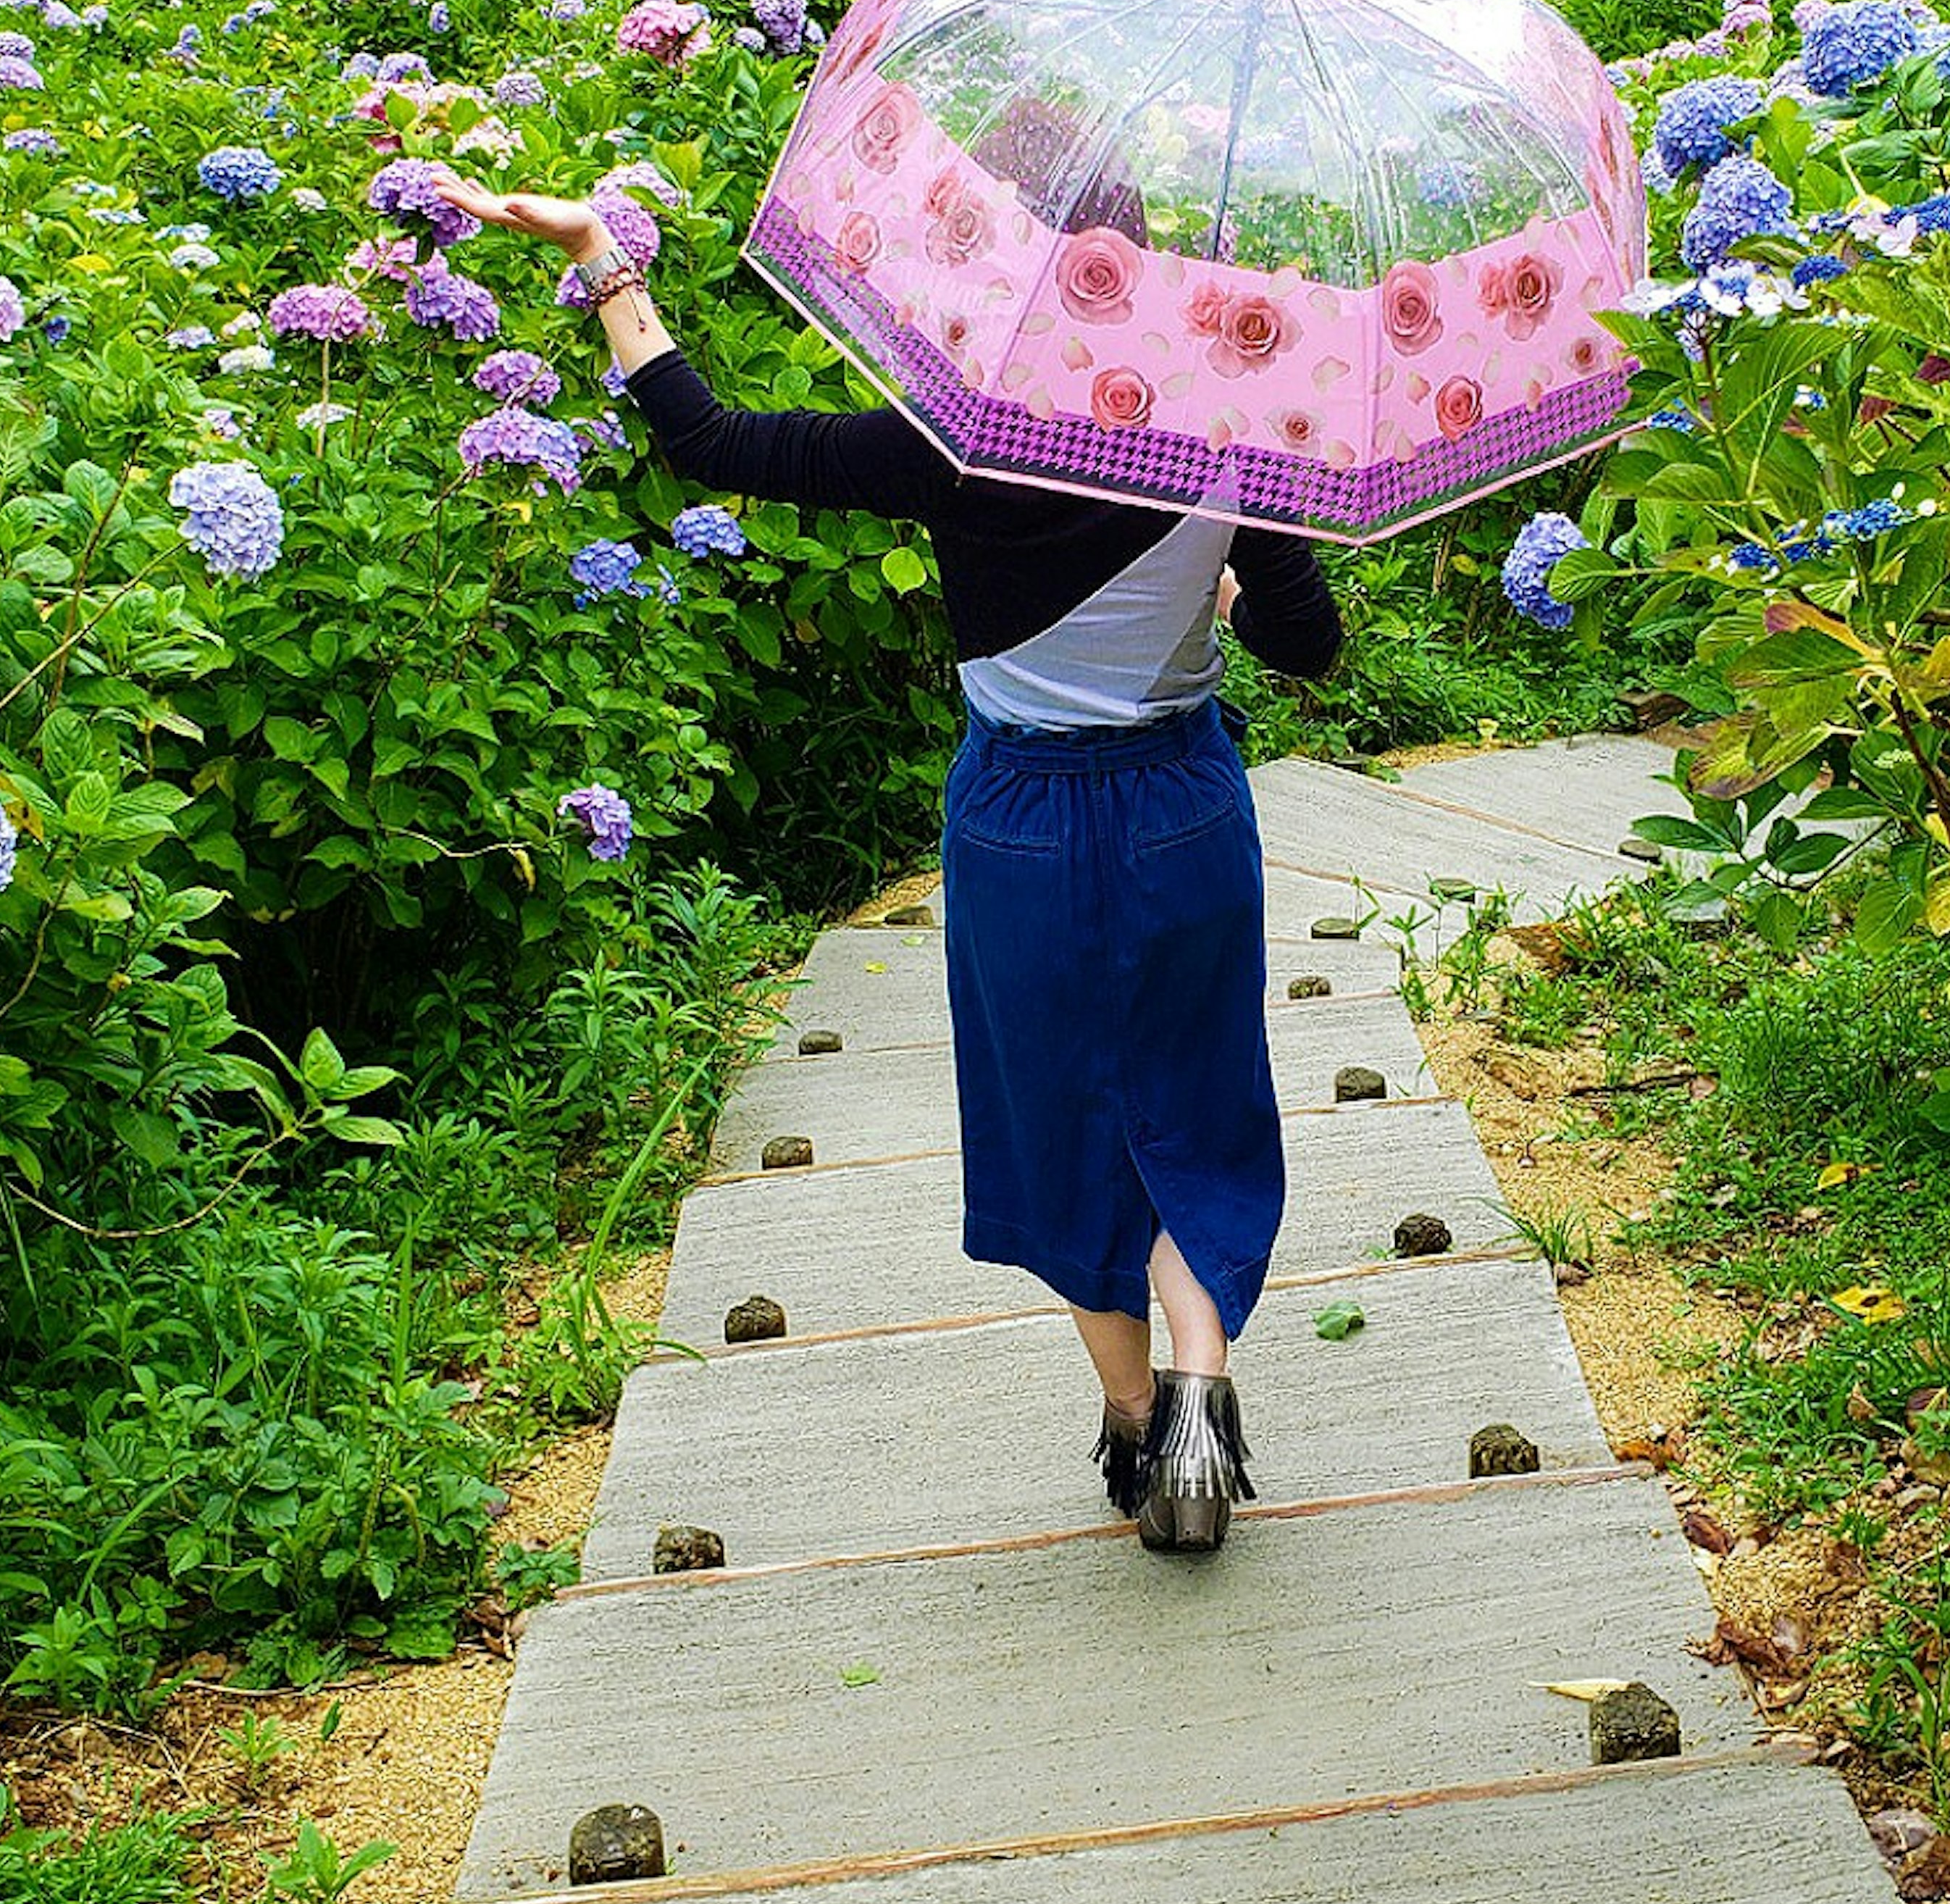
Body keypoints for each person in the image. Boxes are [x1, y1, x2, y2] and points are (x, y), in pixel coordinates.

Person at [435, 170, 1345, 1555]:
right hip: (1183, 814)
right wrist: (1222, 581)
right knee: (1198, 1105)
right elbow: (1310, 651)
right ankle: (1201, 1398)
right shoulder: (1232, 428)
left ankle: (1127, 1422)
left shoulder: (954, 440)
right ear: (1143, 258)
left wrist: (603, 261)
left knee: (1057, 1121)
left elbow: (707, 437)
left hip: (1021, 826)